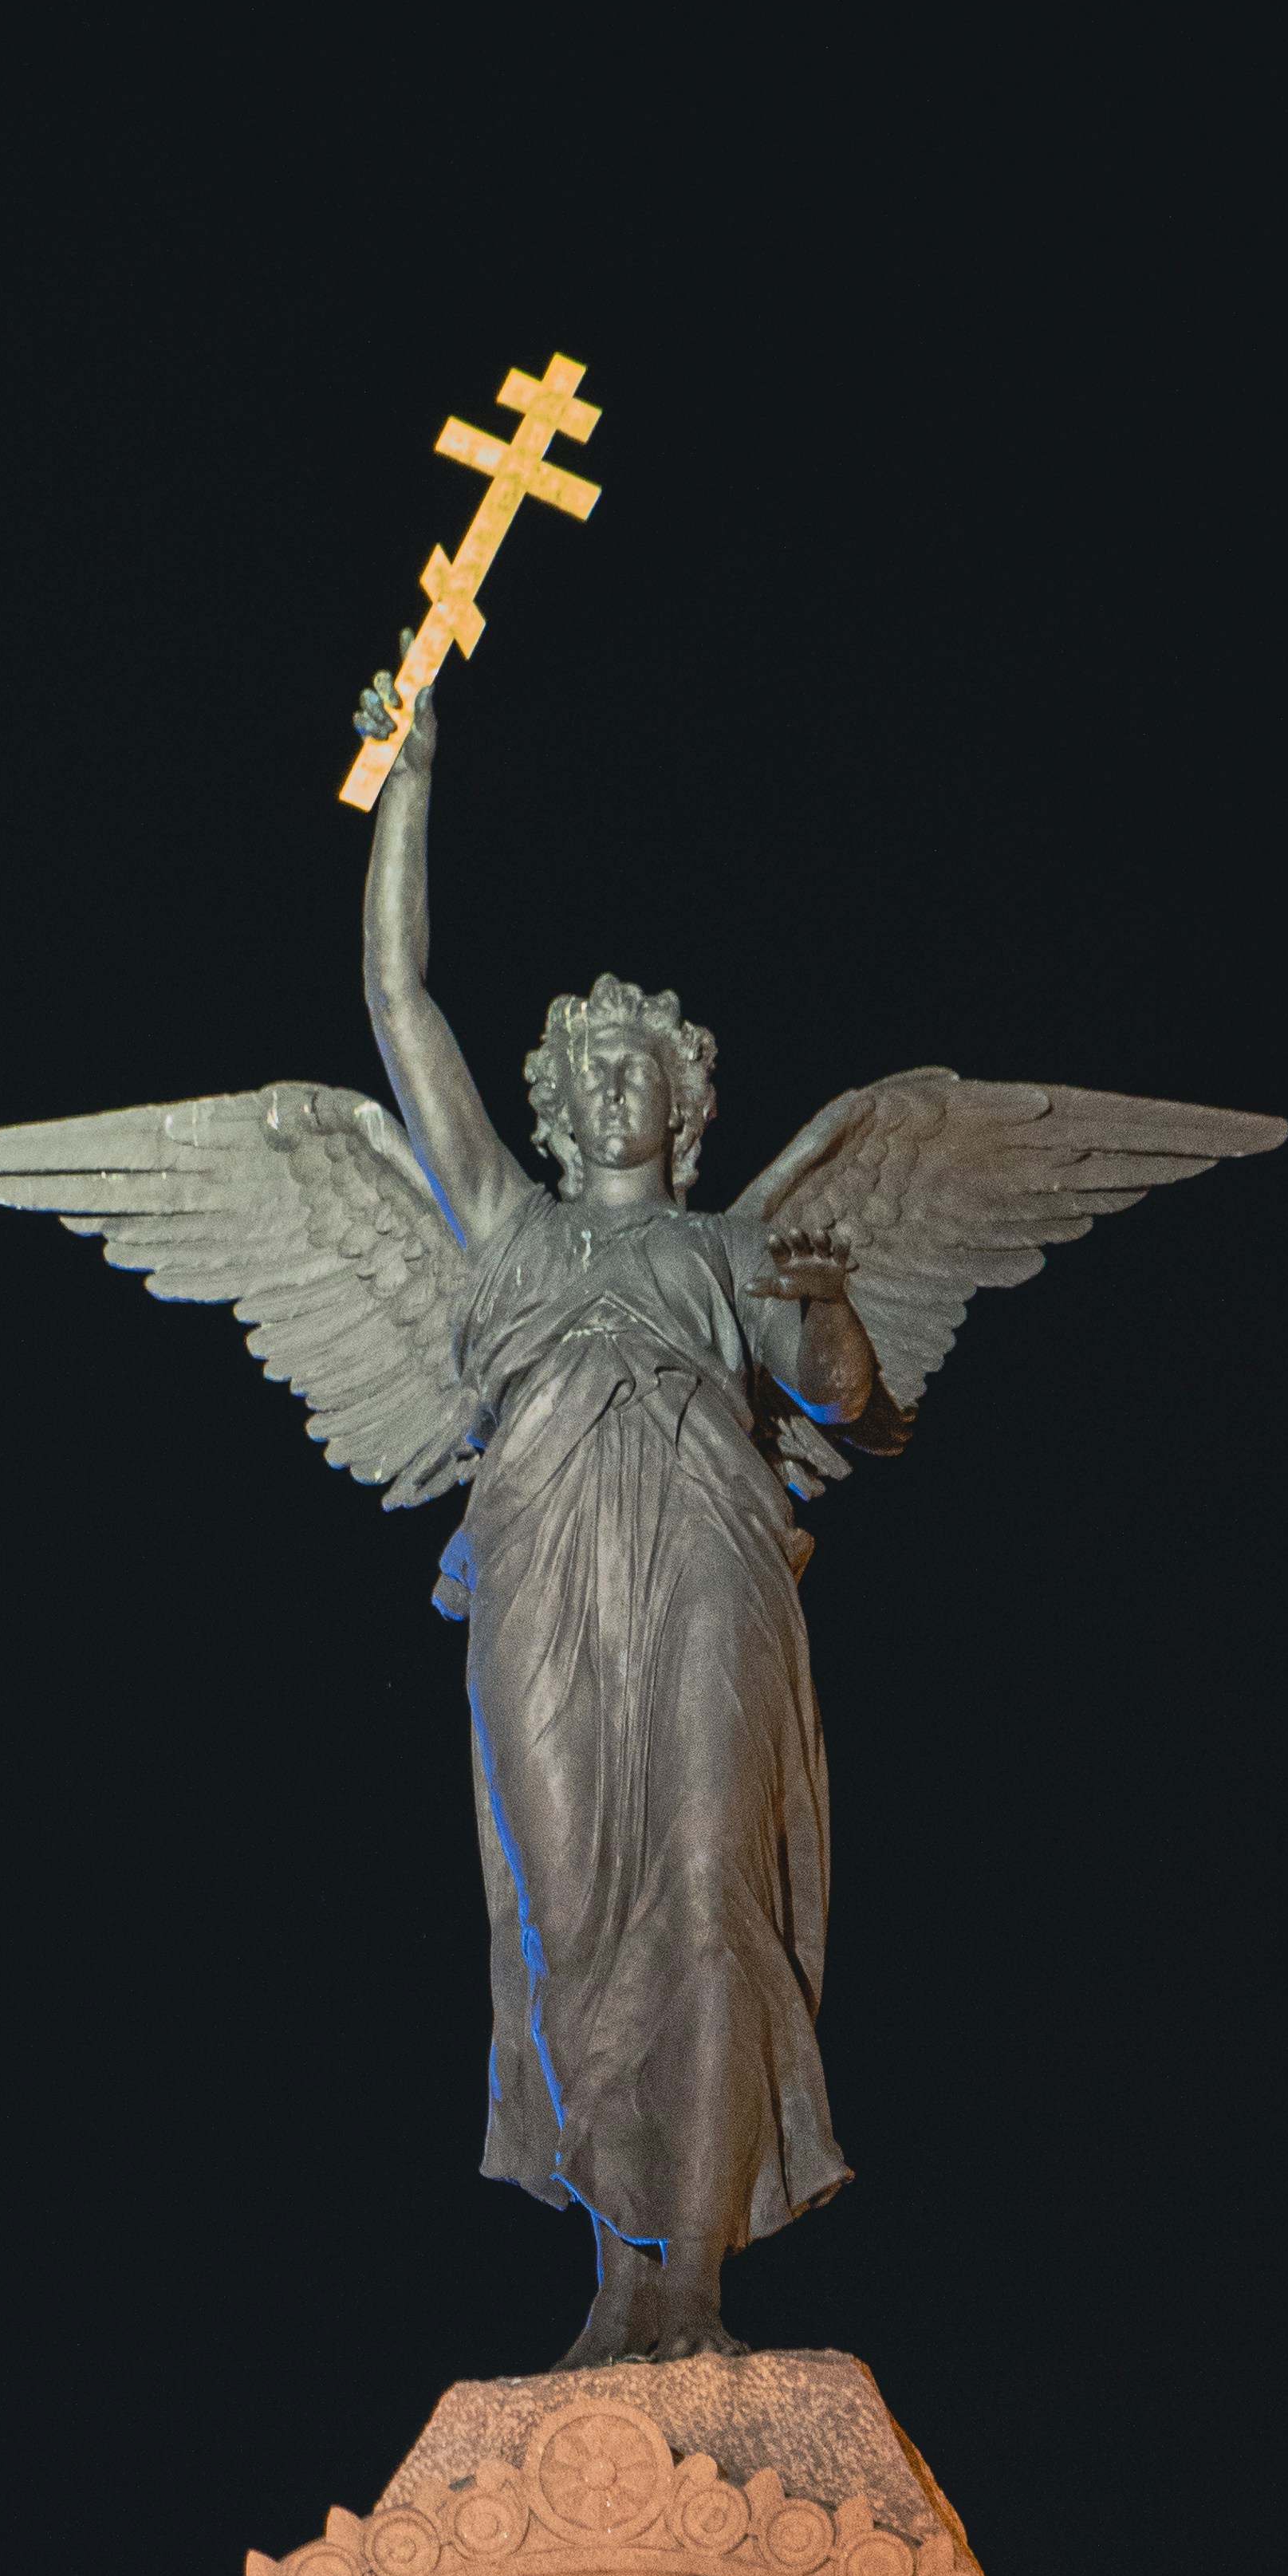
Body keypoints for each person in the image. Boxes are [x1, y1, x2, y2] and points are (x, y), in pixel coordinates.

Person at [354, 677, 890, 2367]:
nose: (608, 1092)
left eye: (637, 1069)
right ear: (546, 1098)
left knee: (703, 1877)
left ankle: (694, 2276)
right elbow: (394, 997)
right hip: (535, 1565)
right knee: (564, 1899)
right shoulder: (504, 1234)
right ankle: (616, 2264)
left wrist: (826, 1343)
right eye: (583, 1070)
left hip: (710, 1565)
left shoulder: (732, 1248)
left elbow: (855, 1409)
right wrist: (409, 789)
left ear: (685, 1101)